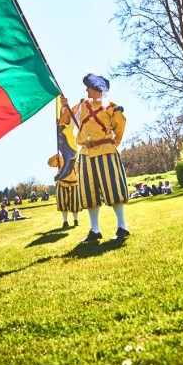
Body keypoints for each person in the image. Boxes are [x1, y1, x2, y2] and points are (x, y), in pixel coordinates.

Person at [59, 73, 130, 242]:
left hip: (106, 151)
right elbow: (65, 120)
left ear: (97, 89)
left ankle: (122, 227)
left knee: (113, 188)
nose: (86, 90)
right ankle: (94, 230)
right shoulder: (81, 105)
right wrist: (64, 107)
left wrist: (113, 144)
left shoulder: (112, 106)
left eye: (88, 87)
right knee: (89, 192)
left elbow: (120, 127)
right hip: (85, 154)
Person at [48, 152, 81, 229]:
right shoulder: (59, 157)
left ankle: (76, 220)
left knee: (75, 203)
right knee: (62, 203)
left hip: (74, 182)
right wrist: (55, 157)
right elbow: (50, 163)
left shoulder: (74, 157)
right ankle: (65, 221)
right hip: (62, 182)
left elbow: (78, 167)